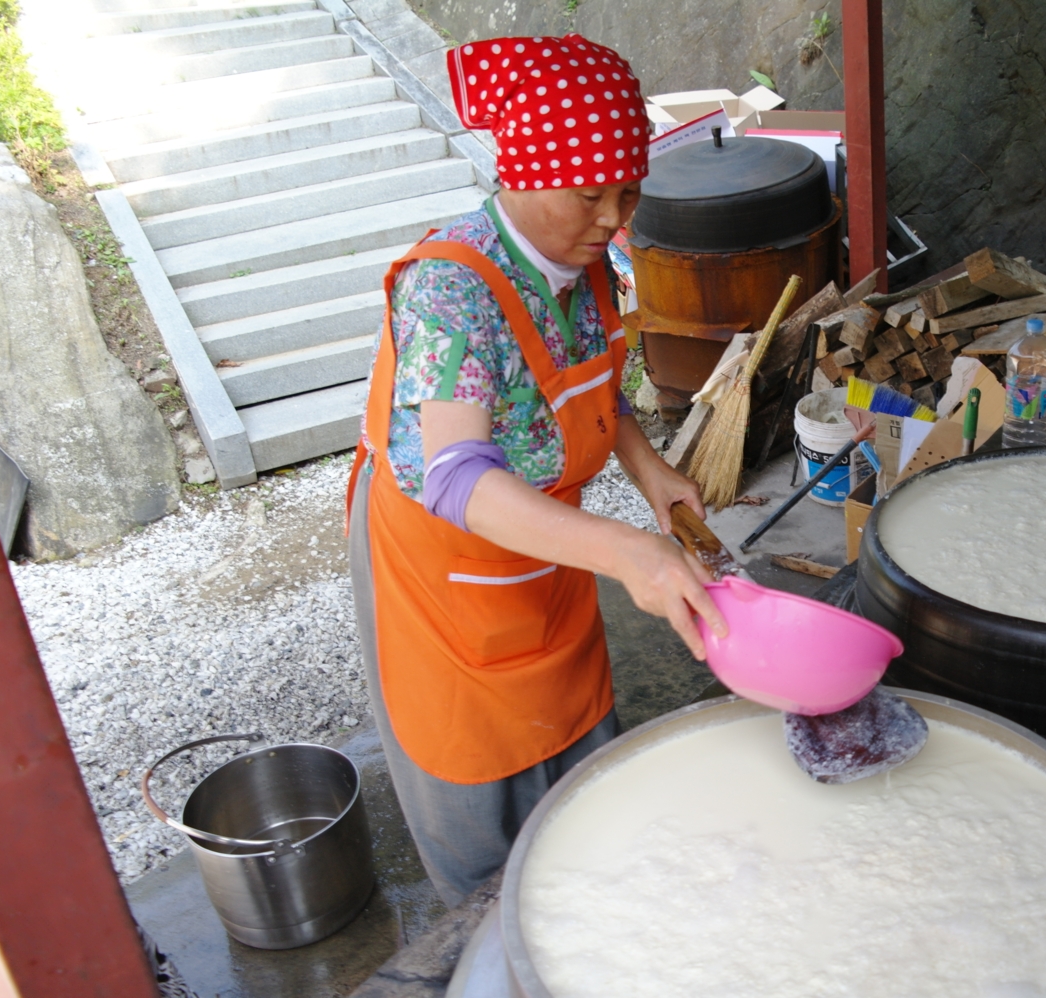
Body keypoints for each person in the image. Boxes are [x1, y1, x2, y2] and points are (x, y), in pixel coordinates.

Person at [346, 34, 726, 908]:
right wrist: (628, 551)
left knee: (576, 757)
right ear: (520, 175)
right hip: (444, 570)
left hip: (548, 546)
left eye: (629, 191)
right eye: (589, 194)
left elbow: (590, 387)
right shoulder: (451, 290)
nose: (613, 220)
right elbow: (454, 477)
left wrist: (649, 471)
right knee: (481, 798)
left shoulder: (583, 267)